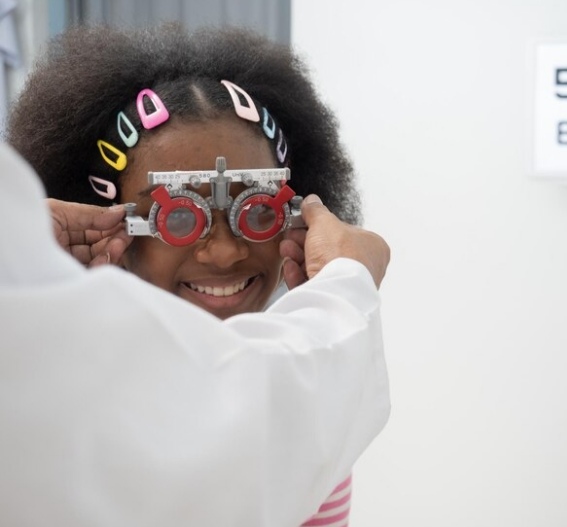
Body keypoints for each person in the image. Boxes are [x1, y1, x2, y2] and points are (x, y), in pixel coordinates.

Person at [2, 22, 390, 527]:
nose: (225, 252)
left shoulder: (310, 403)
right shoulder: (67, 386)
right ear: (111, 221)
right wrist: (350, 281)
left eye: (258, 213)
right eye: (180, 218)